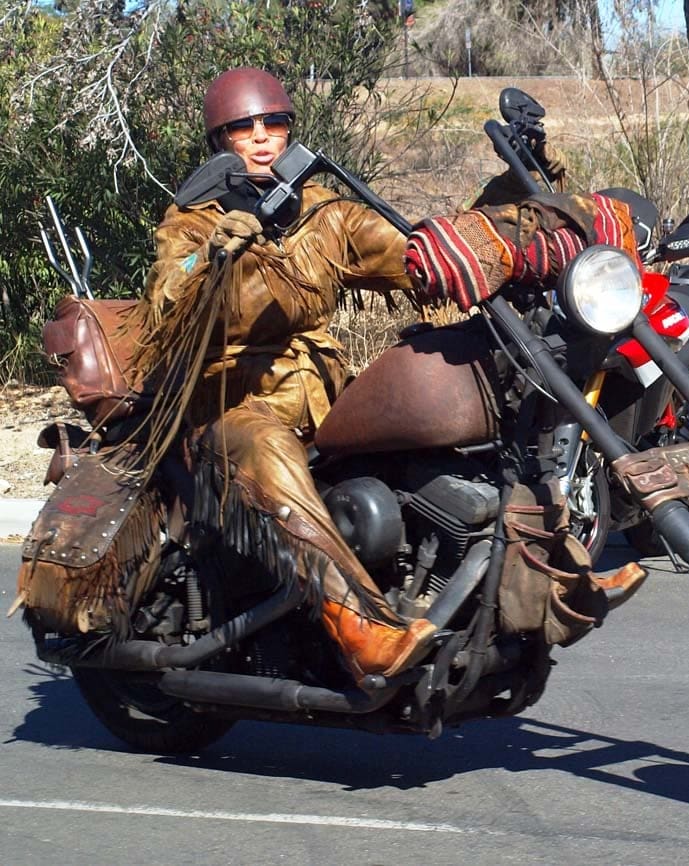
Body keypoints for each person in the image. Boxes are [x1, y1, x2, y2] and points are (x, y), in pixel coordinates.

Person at [132, 67, 644, 685]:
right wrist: (214, 256)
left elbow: (416, 249)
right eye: (244, 128)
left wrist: (511, 192)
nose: (263, 137)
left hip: (319, 397)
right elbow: (168, 300)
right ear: (221, 141)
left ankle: (535, 581)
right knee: (267, 450)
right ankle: (357, 628)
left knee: (445, 426)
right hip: (227, 404)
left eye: (274, 123)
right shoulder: (191, 220)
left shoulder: (320, 212)